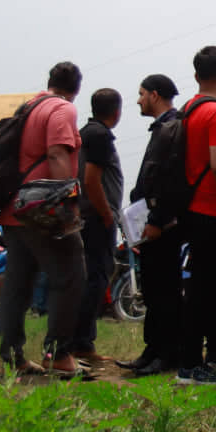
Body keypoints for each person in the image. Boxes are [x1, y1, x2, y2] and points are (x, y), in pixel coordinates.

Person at [0, 63, 86, 378]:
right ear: (76, 88)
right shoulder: (61, 109)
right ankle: (57, 354)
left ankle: (11, 356)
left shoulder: (28, 107)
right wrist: (67, 205)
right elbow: (57, 154)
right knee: (71, 276)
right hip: (40, 211)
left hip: (13, 209)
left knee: (17, 285)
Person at [168, 46, 216, 386]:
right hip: (213, 211)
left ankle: (206, 356)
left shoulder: (188, 109)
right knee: (205, 290)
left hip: (190, 207)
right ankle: (190, 366)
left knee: (203, 287)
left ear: (197, 75)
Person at [119, 73, 179, 375]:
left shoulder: (172, 128)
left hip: (162, 225)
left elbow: (170, 180)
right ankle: (152, 349)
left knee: (164, 290)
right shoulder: (162, 128)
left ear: (155, 95)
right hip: (150, 221)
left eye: (142, 94)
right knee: (154, 290)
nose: (139, 100)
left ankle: (166, 353)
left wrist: (157, 219)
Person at [70, 88, 124, 364]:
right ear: (116, 111)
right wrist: (106, 214)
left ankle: (79, 340)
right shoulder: (100, 136)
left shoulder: (85, 133)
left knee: (91, 277)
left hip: (85, 215)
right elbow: (92, 179)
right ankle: (81, 342)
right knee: (97, 278)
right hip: (96, 218)